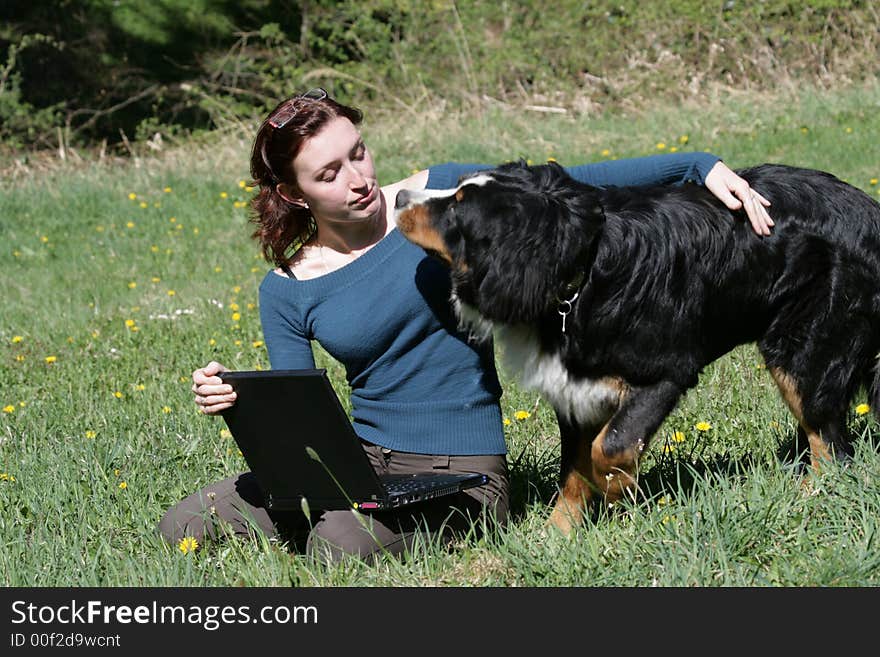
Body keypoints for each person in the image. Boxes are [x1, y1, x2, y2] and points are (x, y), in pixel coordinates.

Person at [158, 88, 773, 564]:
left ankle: (345, 523)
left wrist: (697, 165)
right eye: (329, 174)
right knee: (183, 524)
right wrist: (239, 399)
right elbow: (300, 415)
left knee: (337, 546)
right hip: (361, 458)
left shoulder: (444, 199)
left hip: (460, 468)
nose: (359, 179)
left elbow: (573, 180)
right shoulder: (286, 288)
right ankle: (334, 512)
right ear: (294, 195)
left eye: (359, 153)